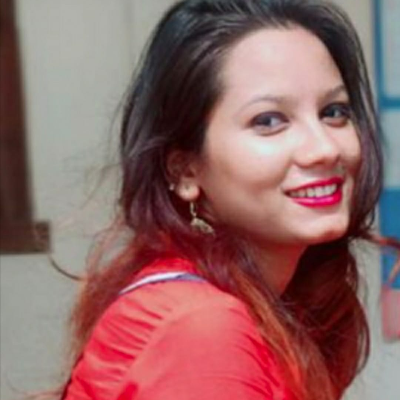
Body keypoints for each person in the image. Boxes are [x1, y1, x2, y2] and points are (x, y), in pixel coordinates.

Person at [59, 0, 398, 399]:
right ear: (185, 171)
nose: (325, 148)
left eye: (334, 112)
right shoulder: (200, 330)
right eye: (268, 121)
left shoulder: (260, 302)